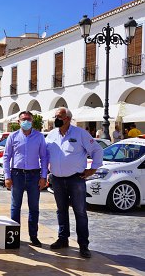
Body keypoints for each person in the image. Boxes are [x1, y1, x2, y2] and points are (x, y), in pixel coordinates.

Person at [45, 107, 103, 258]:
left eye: (59, 117)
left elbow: (97, 150)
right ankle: (63, 239)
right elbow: (44, 155)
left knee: (80, 212)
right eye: (55, 116)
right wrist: (44, 174)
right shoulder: (51, 135)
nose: (56, 119)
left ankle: (83, 245)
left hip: (76, 179)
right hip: (56, 179)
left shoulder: (80, 133)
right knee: (61, 211)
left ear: (68, 119)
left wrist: (93, 168)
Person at [3, 111, 48, 247]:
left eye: (28, 119)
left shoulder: (39, 137)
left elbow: (44, 157)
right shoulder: (13, 137)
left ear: (32, 121)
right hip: (17, 175)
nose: (26, 121)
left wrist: (44, 176)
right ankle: (14, 237)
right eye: (23, 119)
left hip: (34, 175)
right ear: (18, 122)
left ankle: (33, 236)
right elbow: (6, 157)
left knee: (34, 207)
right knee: (15, 207)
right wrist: (7, 176)